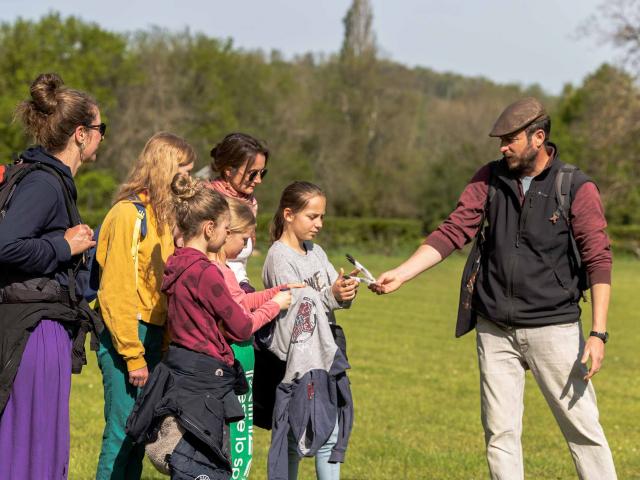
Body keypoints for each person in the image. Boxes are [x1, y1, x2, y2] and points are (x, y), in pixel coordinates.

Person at [372, 97, 617, 479]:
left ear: (539, 137)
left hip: (554, 329)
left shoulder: (575, 186)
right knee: (500, 434)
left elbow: (598, 259)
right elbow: (453, 231)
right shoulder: (488, 178)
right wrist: (403, 273)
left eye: (510, 139)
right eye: (501, 140)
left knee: (582, 430)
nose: (502, 147)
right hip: (494, 329)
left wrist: (599, 333)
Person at [126, 174, 293, 479]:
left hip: (180, 368)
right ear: (209, 228)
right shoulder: (206, 273)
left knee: (189, 460)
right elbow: (241, 327)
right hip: (205, 380)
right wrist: (274, 304)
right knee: (203, 464)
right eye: (226, 229)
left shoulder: (177, 263)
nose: (228, 235)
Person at [0, 72, 104, 479]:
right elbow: (5, 245)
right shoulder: (44, 182)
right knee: (31, 444)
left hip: (41, 325)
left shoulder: (50, 179)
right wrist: (65, 247)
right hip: (34, 331)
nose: (101, 137)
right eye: (100, 129)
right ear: (80, 134)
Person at [95, 132, 195, 479]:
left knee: (140, 435)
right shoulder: (128, 215)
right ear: (165, 167)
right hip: (127, 335)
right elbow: (116, 290)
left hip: (154, 336)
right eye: (184, 169)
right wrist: (133, 354)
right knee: (122, 433)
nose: (189, 179)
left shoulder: (166, 219)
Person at [262, 181, 358, 480]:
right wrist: (331, 294)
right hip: (296, 360)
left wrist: (345, 291)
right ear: (289, 214)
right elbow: (299, 306)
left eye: (322, 216)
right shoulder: (279, 257)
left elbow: (330, 295)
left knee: (330, 431)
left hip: (324, 352)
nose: (319, 224)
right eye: (312, 216)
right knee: (295, 435)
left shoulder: (315, 252)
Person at [207, 132, 269, 478]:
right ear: (228, 170)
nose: (258, 181)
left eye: (263, 174)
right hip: (219, 301)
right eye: (252, 173)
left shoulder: (249, 203)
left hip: (241, 293)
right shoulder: (209, 202)